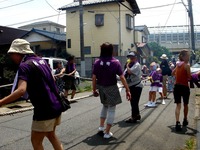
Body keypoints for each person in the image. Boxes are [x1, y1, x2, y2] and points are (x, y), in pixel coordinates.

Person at [0, 39, 63, 150]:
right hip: (56, 104)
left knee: (36, 141)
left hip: (44, 109)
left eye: (12, 54)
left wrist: (1, 102)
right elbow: (52, 79)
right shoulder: (41, 61)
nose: (11, 57)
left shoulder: (24, 66)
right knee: (51, 135)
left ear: (19, 52)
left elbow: (21, 91)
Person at [92, 42, 131, 139]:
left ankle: (101, 127)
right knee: (112, 109)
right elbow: (122, 77)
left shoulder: (97, 62)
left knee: (105, 106)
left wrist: (94, 90)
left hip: (101, 87)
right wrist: (127, 90)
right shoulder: (115, 62)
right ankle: (107, 132)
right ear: (111, 51)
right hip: (112, 87)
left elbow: (93, 77)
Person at [172, 49, 191, 131]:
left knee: (178, 105)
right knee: (185, 104)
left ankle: (177, 122)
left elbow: (172, 73)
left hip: (177, 86)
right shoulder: (187, 65)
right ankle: (185, 119)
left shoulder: (177, 64)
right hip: (184, 87)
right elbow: (189, 77)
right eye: (187, 56)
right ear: (183, 57)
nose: (188, 57)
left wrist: (178, 74)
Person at [124, 52, 143, 123]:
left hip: (136, 86)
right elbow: (124, 75)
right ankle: (137, 115)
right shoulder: (130, 65)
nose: (131, 58)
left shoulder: (137, 65)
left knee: (134, 102)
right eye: (129, 57)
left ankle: (134, 117)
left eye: (132, 57)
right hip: (131, 86)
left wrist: (127, 66)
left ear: (136, 58)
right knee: (133, 102)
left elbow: (130, 72)